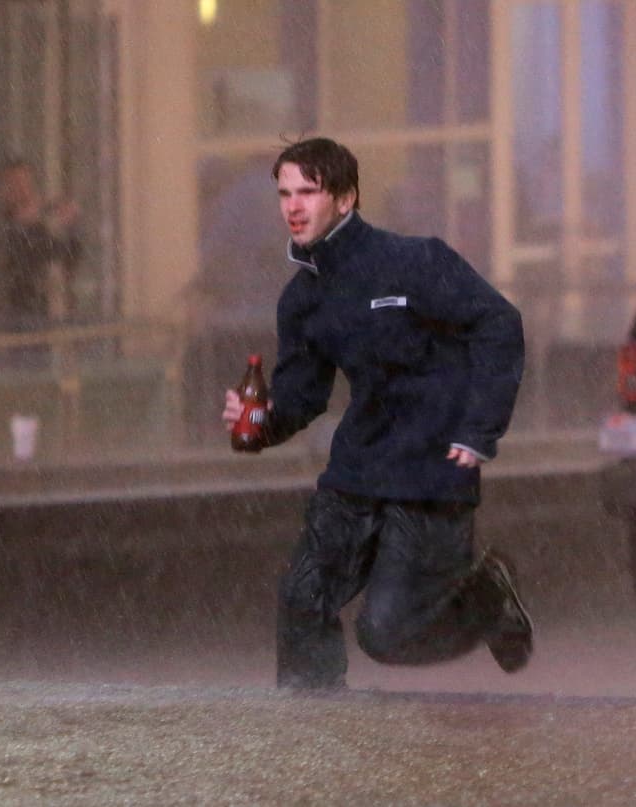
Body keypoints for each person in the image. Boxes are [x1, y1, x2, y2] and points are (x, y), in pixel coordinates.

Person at [220, 137, 532, 691]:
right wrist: (260, 422)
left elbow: (499, 324)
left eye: (308, 192)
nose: (293, 206)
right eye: (284, 193)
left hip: (433, 470)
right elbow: (304, 395)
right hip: (360, 467)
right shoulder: (302, 298)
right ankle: (314, 732)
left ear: (345, 199)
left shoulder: (413, 262)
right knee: (302, 594)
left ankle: (488, 599)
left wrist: (480, 427)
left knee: (386, 634)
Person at [0, 158, 79, 331]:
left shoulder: (42, 224)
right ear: (0, 190)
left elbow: (69, 258)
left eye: (26, 182)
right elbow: (7, 263)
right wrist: (25, 225)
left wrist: (71, 226)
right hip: (9, 321)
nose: (23, 190)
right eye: (14, 183)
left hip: (48, 317)